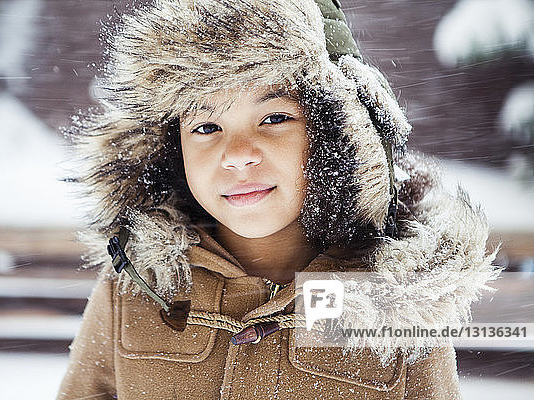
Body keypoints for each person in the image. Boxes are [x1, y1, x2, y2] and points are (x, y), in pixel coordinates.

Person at [57, 0, 500, 399]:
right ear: (174, 151)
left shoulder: (396, 302)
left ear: (336, 134)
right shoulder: (138, 282)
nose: (237, 155)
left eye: (273, 117)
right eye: (207, 127)